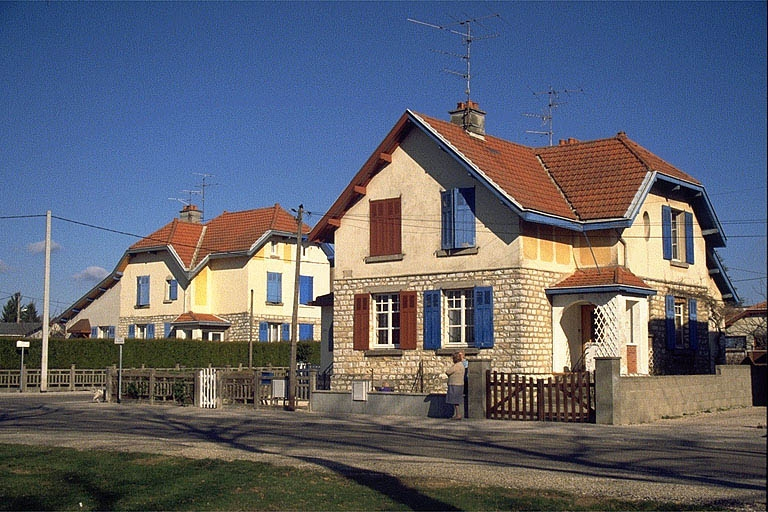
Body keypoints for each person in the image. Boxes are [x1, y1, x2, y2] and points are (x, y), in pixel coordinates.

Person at [445, 352, 465, 419]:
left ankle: (458, 414)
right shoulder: (461, 365)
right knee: (456, 400)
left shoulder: (457, 365)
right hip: (459, 384)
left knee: (455, 400)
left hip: (455, 384)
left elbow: (448, 371)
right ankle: (456, 414)